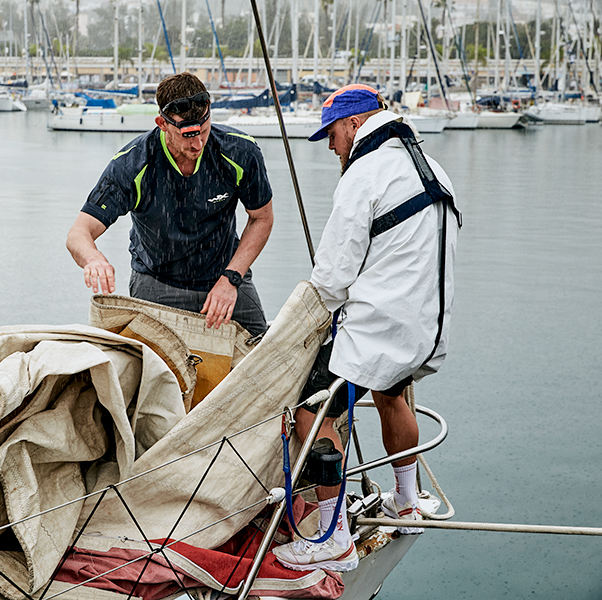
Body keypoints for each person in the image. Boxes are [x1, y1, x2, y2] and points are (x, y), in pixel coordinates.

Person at [272, 84, 461, 572]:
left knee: (315, 410)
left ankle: (332, 537)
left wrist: (296, 326)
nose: (331, 146)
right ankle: (407, 504)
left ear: (355, 124)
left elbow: (332, 278)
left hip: (378, 327)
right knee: (391, 394)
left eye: (332, 133)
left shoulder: (364, 172)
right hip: (424, 328)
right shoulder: (431, 167)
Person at [66, 72, 274, 336]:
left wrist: (232, 279)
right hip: (156, 282)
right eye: (188, 135)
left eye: (204, 131)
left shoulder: (241, 152)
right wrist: (93, 259)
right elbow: (78, 234)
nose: (198, 144)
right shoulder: (132, 164)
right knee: (149, 369)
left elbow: (262, 218)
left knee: (267, 354)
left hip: (225, 277)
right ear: (162, 124)